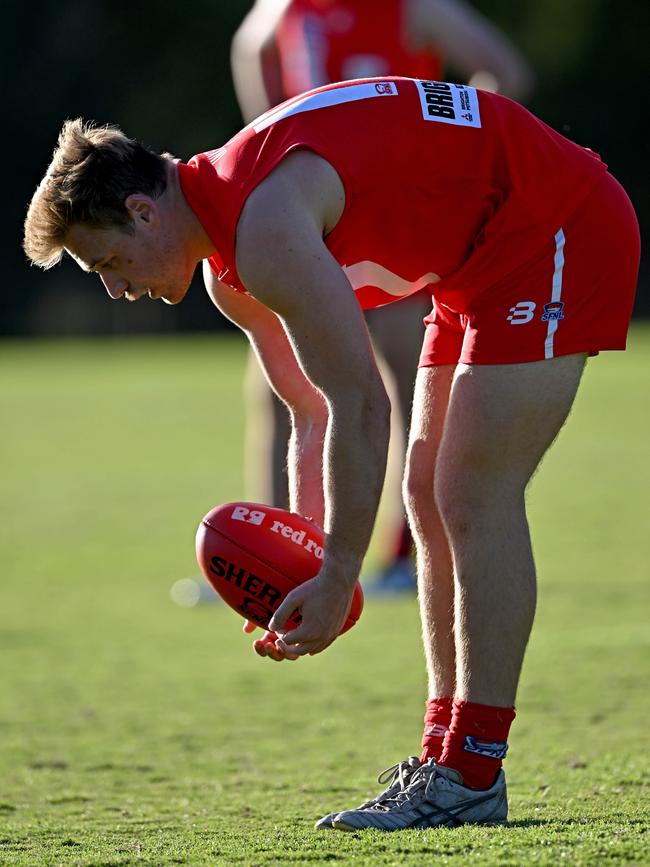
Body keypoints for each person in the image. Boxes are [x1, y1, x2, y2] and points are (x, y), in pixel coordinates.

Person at [24, 76, 639, 830]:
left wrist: (341, 571)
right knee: (427, 493)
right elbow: (311, 412)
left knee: (473, 494)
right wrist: (307, 560)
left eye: (107, 264)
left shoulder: (264, 227)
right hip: (479, 261)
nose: (116, 290)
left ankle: (471, 767)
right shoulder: (230, 264)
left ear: (142, 211)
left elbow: (361, 404)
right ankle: (447, 759)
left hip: (557, 221)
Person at [231, 0, 534, 591]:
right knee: (279, 390)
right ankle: (271, 559)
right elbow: (250, 49)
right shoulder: (289, 4)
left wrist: (448, 157)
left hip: (386, 220)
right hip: (312, 219)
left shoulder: (414, 7)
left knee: (411, 388)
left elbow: (504, 70)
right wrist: (271, 148)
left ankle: (408, 556)